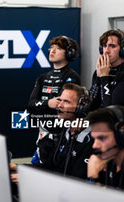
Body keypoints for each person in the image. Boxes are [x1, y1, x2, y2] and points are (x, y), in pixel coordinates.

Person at [11, 83, 93, 181]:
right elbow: (51, 167)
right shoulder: (67, 132)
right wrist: (17, 167)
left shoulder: (90, 139)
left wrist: (31, 178)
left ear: (82, 107)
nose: (59, 105)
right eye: (60, 100)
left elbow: (75, 180)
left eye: (66, 102)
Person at [28, 36, 80, 164]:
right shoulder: (43, 77)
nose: (52, 51)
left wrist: (46, 105)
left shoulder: (72, 77)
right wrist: (48, 103)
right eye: (51, 48)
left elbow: (66, 107)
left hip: (62, 136)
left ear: (69, 53)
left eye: (58, 48)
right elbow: (30, 105)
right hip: (43, 136)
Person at [89, 29, 124, 112]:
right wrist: (98, 78)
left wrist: (104, 78)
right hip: (96, 121)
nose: (106, 51)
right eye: (104, 46)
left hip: (114, 123)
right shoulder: (99, 71)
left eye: (112, 46)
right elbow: (91, 105)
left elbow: (111, 111)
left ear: (123, 50)